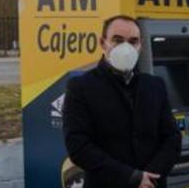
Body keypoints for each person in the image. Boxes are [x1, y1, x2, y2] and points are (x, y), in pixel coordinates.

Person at [63, 15, 181, 188]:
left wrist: (150, 178)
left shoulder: (155, 85)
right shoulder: (81, 87)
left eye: (133, 41)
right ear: (103, 43)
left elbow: (172, 138)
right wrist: (132, 177)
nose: (126, 47)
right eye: (117, 40)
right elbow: (78, 147)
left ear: (140, 46)